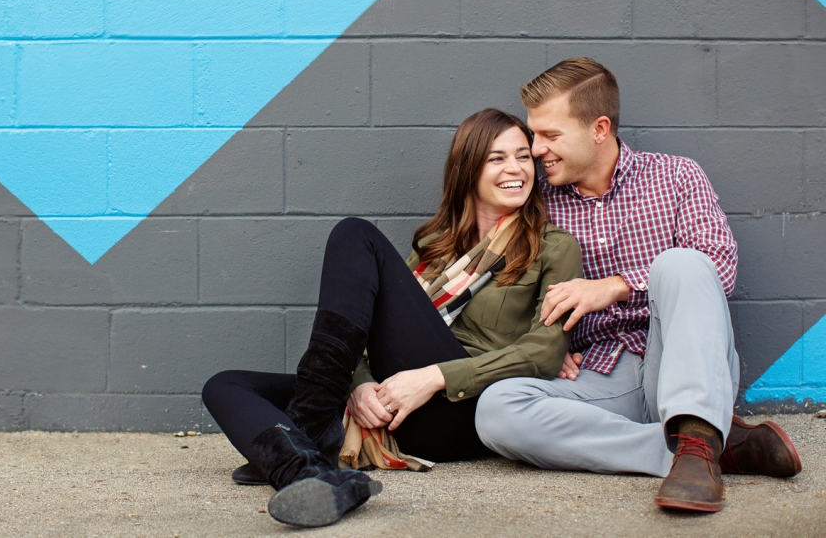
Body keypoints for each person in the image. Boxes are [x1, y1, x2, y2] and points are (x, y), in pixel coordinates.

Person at [201, 108, 582, 528]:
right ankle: (305, 472)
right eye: (497, 158)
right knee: (225, 385)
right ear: (468, 169)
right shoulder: (435, 246)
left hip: (458, 410)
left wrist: (432, 377)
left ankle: (308, 428)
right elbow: (367, 328)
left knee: (355, 233)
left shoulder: (553, 248)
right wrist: (360, 384)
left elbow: (544, 353)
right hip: (390, 402)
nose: (516, 168)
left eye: (523, 156)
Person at [475, 58, 802, 514]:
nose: (536, 148)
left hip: (681, 361)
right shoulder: (537, 201)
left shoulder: (676, 176)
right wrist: (545, 344)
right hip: (600, 377)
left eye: (550, 135)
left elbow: (720, 269)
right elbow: (509, 290)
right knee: (496, 410)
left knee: (681, 263)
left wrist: (616, 287)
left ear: (599, 129)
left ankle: (696, 431)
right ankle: (701, 450)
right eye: (534, 134)